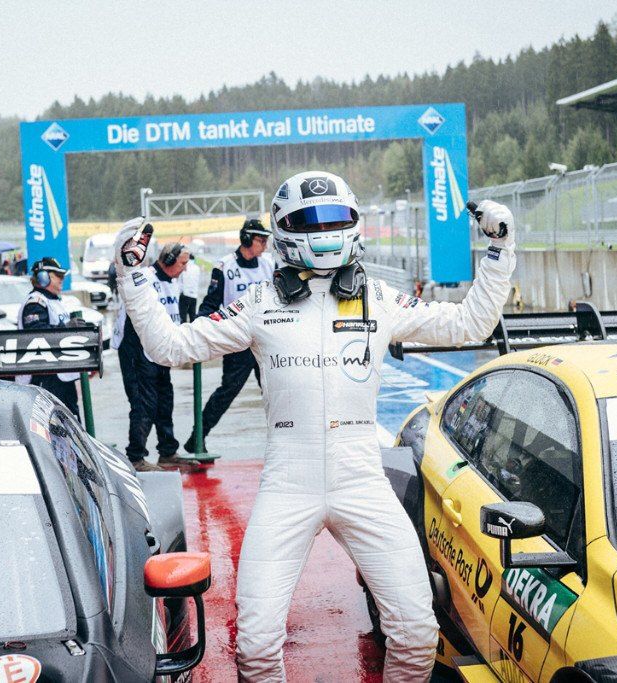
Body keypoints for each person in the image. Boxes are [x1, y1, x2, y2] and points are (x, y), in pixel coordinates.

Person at [114, 171, 515, 681]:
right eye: (311, 220)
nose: (324, 229)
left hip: (361, 480)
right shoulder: (259, 301)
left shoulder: (380, 298)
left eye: (335, 218)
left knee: (416, 633)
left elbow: (469, 325)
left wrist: (500, 254)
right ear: (284, 229)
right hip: (288, 484)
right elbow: (168, 347)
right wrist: (132, 276)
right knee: (256, 648)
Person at [186, 218, 273, 453]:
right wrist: (198, 327)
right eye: (261, 240)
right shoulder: (225, 266)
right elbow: (211, 302)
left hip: (266, 339)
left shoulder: (268, 265)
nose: (265, 245)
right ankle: (198, 436)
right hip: (238, 341)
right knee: (228, 391)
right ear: (246, 239)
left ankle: (287, 440)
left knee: (275, 391)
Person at [119, 240, 194, 472]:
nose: (185, 268)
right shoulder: (145, 279)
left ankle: (168, 452)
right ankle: (135, 457)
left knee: (164, 400)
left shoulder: (172, 281)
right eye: (182, 262)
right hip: (137, 347)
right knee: (144, 403)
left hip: (159, 348)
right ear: (169, 260)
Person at [19, 257, 81, 417]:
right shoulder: (35, 302)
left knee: (70, 420)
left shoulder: (52, 301)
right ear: (43, 277)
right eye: (58, 276)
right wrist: (66, 327)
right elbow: (36, 333)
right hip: (44, 373)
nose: (62, 279)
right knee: (51, 422)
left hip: (60, 372)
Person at [179, 253, 202, 322]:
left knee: (183, 317)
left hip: (184, 295)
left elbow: (180, 281)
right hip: (194, 296)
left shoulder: (184, 267)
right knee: (193, 317)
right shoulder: (197, 268)